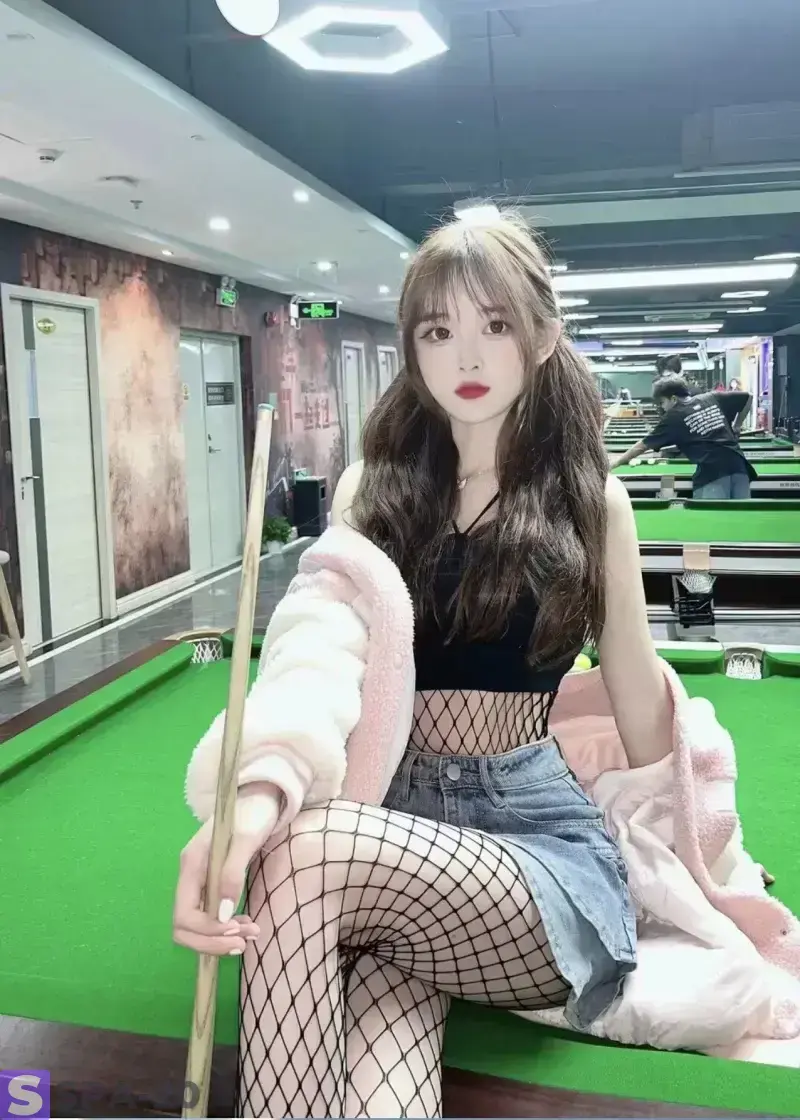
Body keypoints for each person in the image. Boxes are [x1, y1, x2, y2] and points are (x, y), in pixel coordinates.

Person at [173, 214, 674, 1118]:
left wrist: (694, 853)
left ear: (543, 337)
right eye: (438, 331)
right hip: (389, 833)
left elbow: (634, 686)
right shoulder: (372, 490)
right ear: (412, 349)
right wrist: (253, 795)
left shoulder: (591, 499)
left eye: (495, 324)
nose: (465, 355)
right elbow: (315, 649)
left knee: (307, 848)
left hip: (531, 847)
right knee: (382, 1092)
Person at [609, 372, 755, 499]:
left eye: (662, 402)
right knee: (740, 515)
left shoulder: (674, 416)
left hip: (713, 474)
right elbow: (748, 397)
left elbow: (643, 445)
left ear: (673, 399)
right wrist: (737, 426)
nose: (662, 407)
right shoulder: (711, 397)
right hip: (740, 467)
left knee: (713, 518)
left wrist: (616, 462)